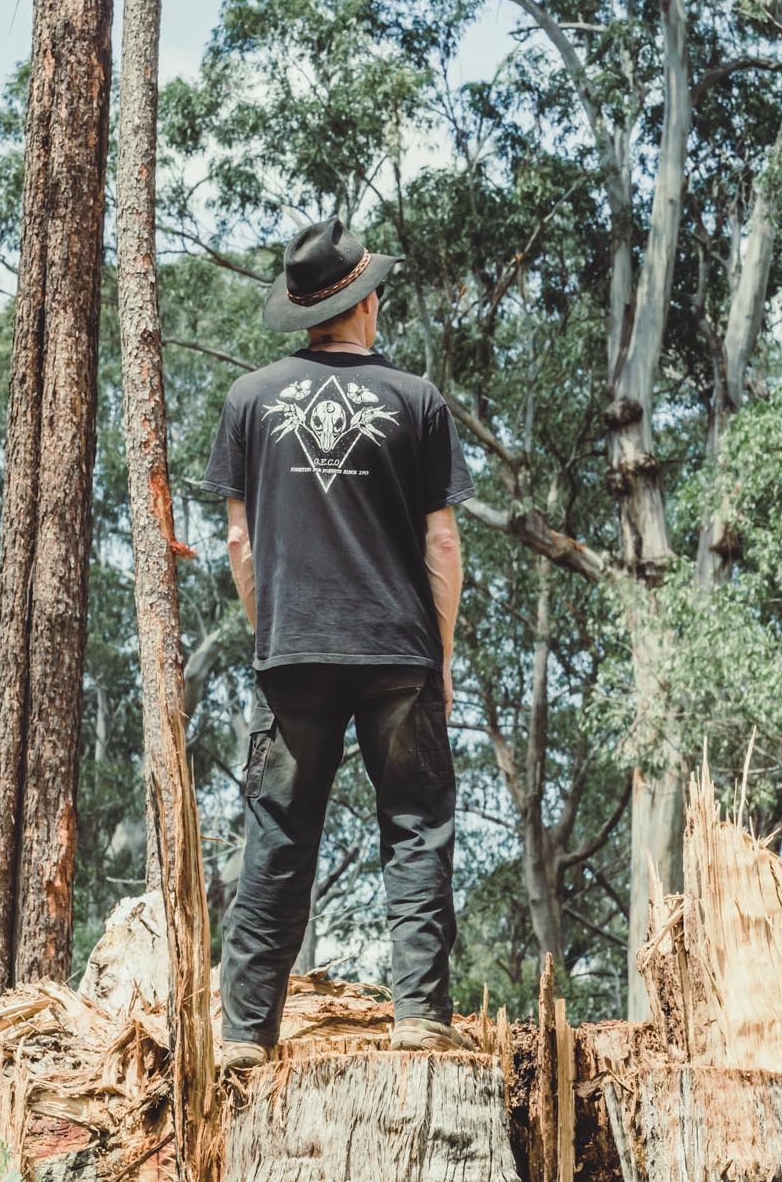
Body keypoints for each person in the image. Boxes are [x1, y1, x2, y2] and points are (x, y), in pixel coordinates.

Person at [202, 216, 476, 1071]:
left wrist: (271, 630)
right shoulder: (417, 400)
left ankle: (245, 1034)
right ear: (365, 304)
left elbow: (239, 543)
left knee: (278, 832)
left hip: (293, 654)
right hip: (397, 650)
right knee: (416, 825)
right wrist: (442, 656)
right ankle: (421, 1015)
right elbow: (441, 546)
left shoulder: (250, 400)